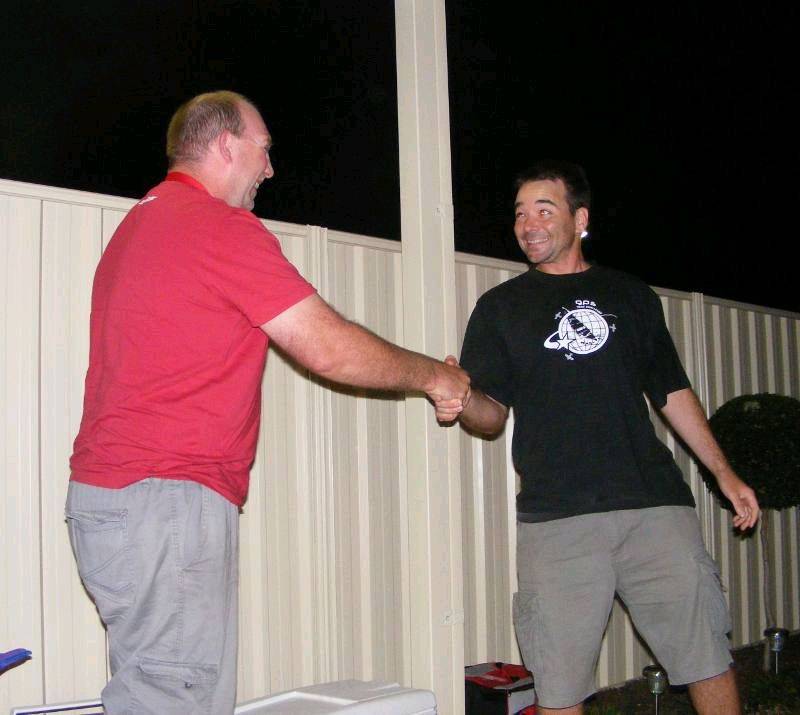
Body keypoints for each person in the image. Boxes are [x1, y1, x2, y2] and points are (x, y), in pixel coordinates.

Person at [66, 90, 469, 715]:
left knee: (158, 692)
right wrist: (435, 378)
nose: (270, 168)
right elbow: (327, 347)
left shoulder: (141, 225)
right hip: (165, 501)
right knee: (175, 701)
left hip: (115, 503)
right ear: (227, 144)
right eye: (265, 149)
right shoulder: (215, 226)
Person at [436, 160, 760, 714]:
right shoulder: (499, 309)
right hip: (557, 521)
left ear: (580, 219)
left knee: (706, 657)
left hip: (654, 508)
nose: (528, 224)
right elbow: (490, 418)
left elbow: (671, 390)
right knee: (559, 687)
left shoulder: (630, 295)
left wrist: (724, 474)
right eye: (520, 213)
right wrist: (463, 399)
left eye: (544, 210)